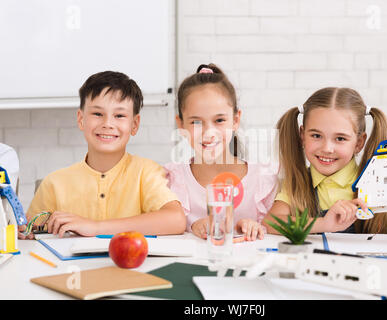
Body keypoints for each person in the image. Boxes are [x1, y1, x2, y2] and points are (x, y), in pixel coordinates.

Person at [21, 71, 185, 239]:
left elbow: (176, 219)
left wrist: (95, 227)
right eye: (98, 114)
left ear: (134, 125)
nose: (107, 124)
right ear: (81, 119)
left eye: (119, 115)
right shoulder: (54, 184)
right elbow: (29, 233)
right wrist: (24, 233)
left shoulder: (147, 172)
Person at [265, 87, 387, 235]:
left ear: (359, 143)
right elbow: (271, 221)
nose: (327, 148)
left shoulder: (383, 183)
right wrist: (324, 224)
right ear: (302, 136)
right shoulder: (298, 183)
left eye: (340, 138)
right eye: (316, 136)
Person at [164, 63, 278, 241]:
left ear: (235, 120)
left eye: (219, 120)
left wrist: (255, 227)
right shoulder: (171, 180)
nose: (209, 132)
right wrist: (193, 226)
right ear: (181, 124)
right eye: (196, 122)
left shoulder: (264, 178)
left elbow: (276, 233)